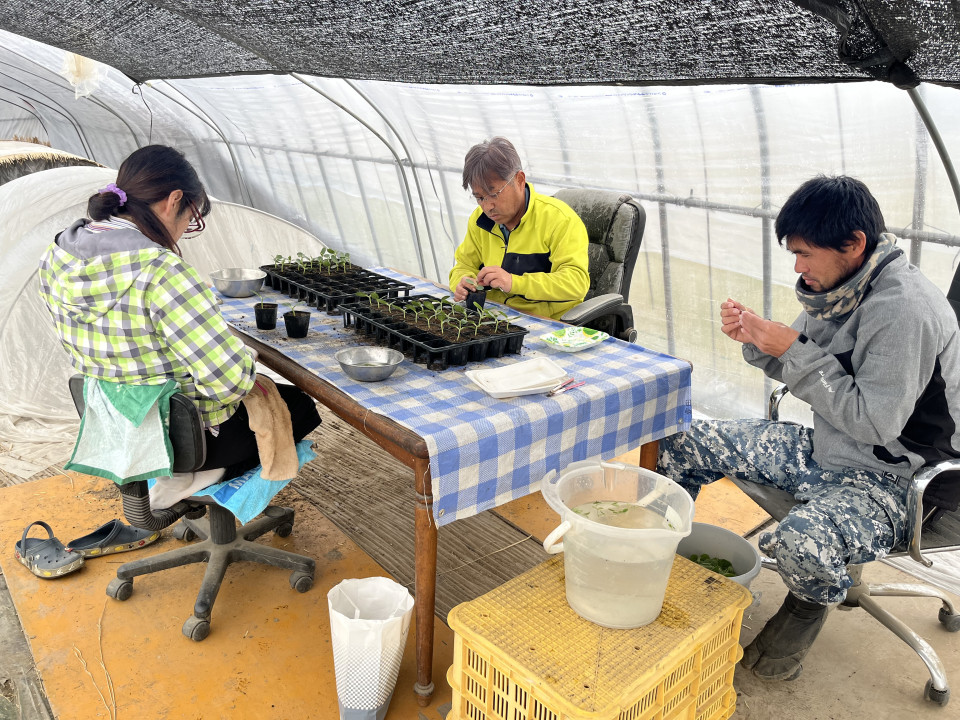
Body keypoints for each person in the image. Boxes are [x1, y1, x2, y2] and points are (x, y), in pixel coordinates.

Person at [656, 175, 960, 681]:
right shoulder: (840, 288)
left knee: (801, 542)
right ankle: (657, 552)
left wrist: (791, 349)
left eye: (804, 254)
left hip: (898, 479)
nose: (797, 267)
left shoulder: (905, 311)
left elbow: (873, 421)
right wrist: (757, 338)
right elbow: (804, 364)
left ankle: (807, 605)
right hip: (830, 448)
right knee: (684, 440)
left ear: (854, 243)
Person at [38, 144, 321, 486]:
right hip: (181, 436)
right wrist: (245, 357)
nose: (184, 229)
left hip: (116, 421)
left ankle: (172, 481)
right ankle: (192, 481)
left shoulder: (57, 254)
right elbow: (228, 384)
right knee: (300, 408)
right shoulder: (162, 271)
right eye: (189, 219)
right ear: (174, 200)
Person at [449, 137, 590, 319]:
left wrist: (514, 282)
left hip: (545, 323)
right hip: (493, 318)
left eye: (494, 194)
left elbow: (576, 282)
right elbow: (463, 265)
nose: (487, 207)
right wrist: (461, 282)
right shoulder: (479, 219)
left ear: (519, 180)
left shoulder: (559, 219)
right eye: (480, 198)